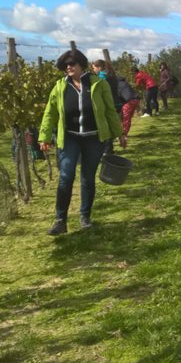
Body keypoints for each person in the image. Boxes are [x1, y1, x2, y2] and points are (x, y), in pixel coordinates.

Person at [39, 49, 126, 235]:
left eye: (72, 64)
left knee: (87, 178)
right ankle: (60, 220)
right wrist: (44, 136)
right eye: (65, 65)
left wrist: (119, 133)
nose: (68, 68)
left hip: (93, 138)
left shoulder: (98, 84)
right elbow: (50, 113)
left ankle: (85, 216)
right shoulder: (60, 87)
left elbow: (109, 110)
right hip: (69, 137)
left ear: (81, 65)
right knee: (66, 176)